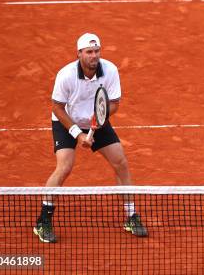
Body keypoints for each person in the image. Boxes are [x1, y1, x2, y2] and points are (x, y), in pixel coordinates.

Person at [33, 33, 147, 243]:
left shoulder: (110, 70)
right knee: (65, 166)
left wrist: (100, 119)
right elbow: (57, 108)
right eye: (89, 52)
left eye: (96, 51)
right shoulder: (65, 75)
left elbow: (114, 103)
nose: (94, 56)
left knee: (120, 162)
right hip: (67, 121)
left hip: (97, 120)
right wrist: (78, 134)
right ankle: (43, 220)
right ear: (79, 54)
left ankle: (131, 216)